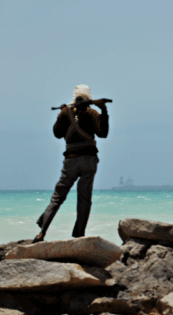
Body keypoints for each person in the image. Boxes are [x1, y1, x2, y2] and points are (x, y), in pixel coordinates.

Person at [33, 85, 110, 243]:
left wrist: (62, 114)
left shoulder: (65, 112)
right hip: (89, 160)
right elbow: (103, 133)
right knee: (84, 198)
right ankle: (78, 234)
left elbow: (57, 133)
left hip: (71, 161)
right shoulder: (92, 112)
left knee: (57, 198)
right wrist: (104, 111)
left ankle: (42, 232)